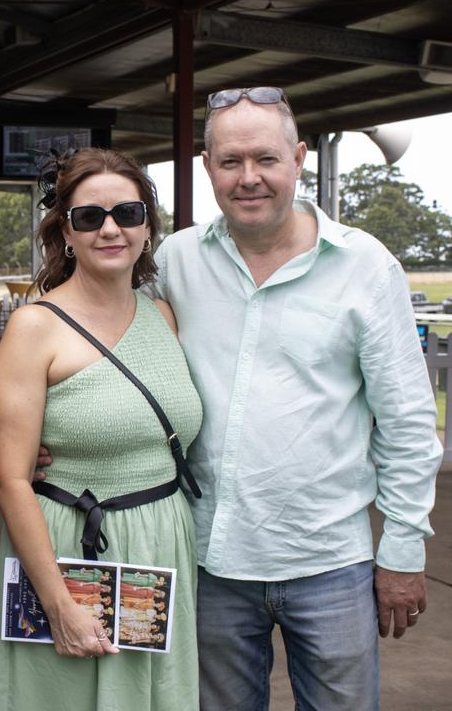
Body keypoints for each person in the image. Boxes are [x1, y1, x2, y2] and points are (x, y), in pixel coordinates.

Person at [149, 86, 442, 709]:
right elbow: (115, 355)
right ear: (207, 168)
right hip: (210, 562)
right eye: (230, 162)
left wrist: (403, 548)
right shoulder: (176, 261)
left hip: (330, 560)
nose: (248, 178)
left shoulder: (365, 266)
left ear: (299, 158)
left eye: (265, 159)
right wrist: (54, 441)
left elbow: (408, 422)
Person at [0, 148, 203, 709]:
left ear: (148, 228)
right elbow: (9, 479)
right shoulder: (36, 328)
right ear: (66, 233)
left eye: (127, 214)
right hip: (71, 550)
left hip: (161, 544)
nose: (110, 229)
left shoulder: (164, 316)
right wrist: (55, 600)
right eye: (89, 217)